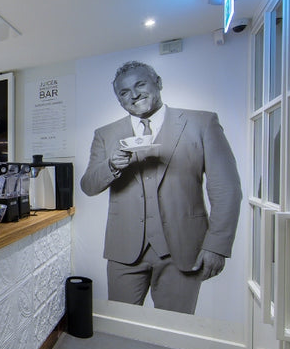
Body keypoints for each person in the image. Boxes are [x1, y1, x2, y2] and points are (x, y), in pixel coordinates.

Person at [80, 60, 242, 314]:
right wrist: (110, 166)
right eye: (123, 92)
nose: (133, 95)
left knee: (174, 334)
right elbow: (88, 185)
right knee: (122, 329)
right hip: (123, 252)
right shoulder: (105, 134)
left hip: (184, 249)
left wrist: (216, 245)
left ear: (158, 83)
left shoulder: (202, 123)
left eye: (140, 84)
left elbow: (226, 189)